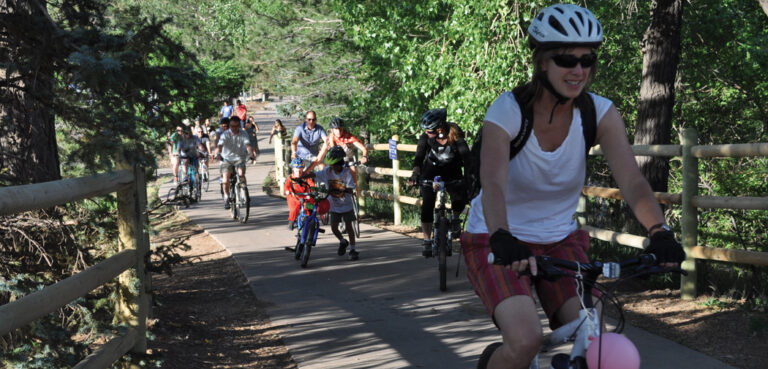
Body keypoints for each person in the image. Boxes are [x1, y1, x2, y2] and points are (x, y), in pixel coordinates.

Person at [462, 5, 686, 369]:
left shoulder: (599, 113)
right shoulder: (507, 111)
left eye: (587, 59)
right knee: (525, 340)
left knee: (592, 333)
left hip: (560, 240)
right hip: (496, 238)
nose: (578, 70)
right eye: (566, 59)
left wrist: (659, 232)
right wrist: (502, 234)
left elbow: (632, 180)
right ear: (542, 63)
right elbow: (493, 182)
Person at [408, 108, 470, 257]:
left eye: (429, 130)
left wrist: (470, 177)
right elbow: (419, 156)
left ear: (440, 127)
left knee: (459, 195)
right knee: (428, 202)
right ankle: (427, 240)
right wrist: (415, 173)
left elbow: (467, 157)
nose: (427, 133)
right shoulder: (426, 137)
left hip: (452, 170)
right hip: (431, 171)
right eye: (426, 130)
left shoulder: (454, 134)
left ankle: (455, 219)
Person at [301, 146, 359, 260]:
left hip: (346, 205)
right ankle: (343, 241)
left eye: (334, 165)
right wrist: (303, 176)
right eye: (331, 165)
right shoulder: (327, 172)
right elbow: (316, 175)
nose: (332, 167)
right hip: (334, 206)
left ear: (340, 163)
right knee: (333, 228)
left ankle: (353, 249)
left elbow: (351, 189)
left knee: (349, 227)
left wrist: (343, 189)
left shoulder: (347, 174)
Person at [312, 117, 369, 193]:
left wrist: (364, 157)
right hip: (333, 162)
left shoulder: (348, 136)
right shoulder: (329, 140)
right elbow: (320, 156)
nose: (338, 131)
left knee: (354, 182)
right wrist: (307, 171)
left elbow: (363, 148)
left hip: (347, 161)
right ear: (332, 130)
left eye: (340, 128)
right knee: (327, 176)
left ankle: (356, 202)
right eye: (336, 129)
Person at [214, 116, 255, 209]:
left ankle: (244, 191)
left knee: (241, 174)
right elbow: (219, 146)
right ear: (230, 125)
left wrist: (251, 153)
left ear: (239, 125)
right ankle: (226, 197)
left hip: (239, 158)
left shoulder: (243, 133)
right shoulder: (225, 134)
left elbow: (248, 145)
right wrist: (217, 153)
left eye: (236, 126)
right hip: (226, 159)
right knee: (226, 178)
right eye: (232, 126)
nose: (234, 128)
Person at [284, 157, 330, 230]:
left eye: (300, 171)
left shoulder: (305, 177)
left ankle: (309, 221)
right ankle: (292, 221)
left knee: (308, 207)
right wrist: (287, 191)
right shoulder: (290, 178)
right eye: (296, 171)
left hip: (305, 196)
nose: (298, 173)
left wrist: (313, 190)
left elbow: (311, 184)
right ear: (293, 170)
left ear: (302, 169)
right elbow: (286, 186)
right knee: (294, 208)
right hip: (294, 196)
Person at [177, 127, 206, 200]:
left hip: (193, 154)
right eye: (186, 133)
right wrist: (178, 154)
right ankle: (185, 175)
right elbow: (179, 149)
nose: (188, 135)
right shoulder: (181, 139)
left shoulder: (195, 137)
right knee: (185, 161)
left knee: (196, 168)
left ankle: (197, 182)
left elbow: (200, 145)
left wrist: (203, 151)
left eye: (189, 133)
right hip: (185, 154)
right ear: (183, 133)